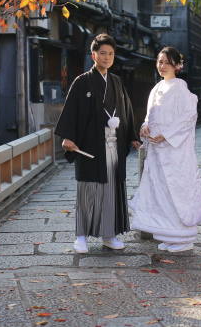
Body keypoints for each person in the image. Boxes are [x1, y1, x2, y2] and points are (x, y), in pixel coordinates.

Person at [55, 34, 141, 253]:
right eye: (102, 53)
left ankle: (109, 234)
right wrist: (67, 136)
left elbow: (127, 110)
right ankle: (81, 236)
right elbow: (71, 111)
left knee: (112, 189)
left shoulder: (117, 82)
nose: (107, 57)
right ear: (93, 55)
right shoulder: (82, 81)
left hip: (113, 145)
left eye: (111, 53)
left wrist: (132, 135)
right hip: (90, 145)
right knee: (88, 190)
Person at [129, 47, 201, 252]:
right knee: (162, 193)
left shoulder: (180, 88)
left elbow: (189, 116)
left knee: (178, 191)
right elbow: (150, 116)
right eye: (159, 61)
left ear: (177, 66)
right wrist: (145, 126)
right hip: (157, 151)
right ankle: (170, 235)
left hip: (175, 152)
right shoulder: (156, 89)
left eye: (166, 62)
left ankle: (184, 238)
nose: (161, 66)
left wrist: (166, 134)